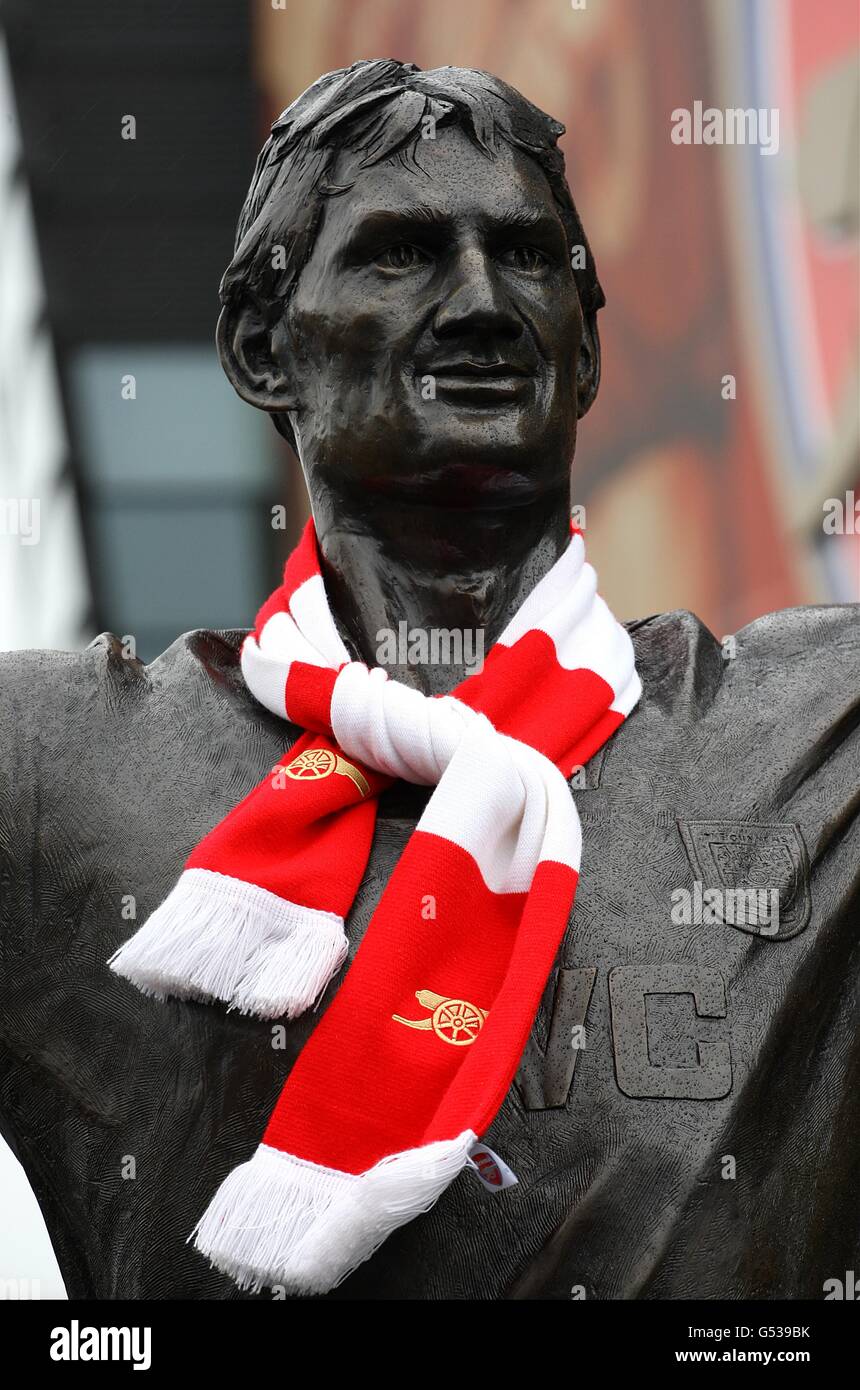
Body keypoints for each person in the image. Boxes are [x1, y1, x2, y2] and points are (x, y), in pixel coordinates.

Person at [1, 60, 857, 1300]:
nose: (479, 302)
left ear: (584, 356)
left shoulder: (815, 731)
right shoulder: (56, 770)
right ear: (259, 344)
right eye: (400, 253)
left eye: (523, 257)